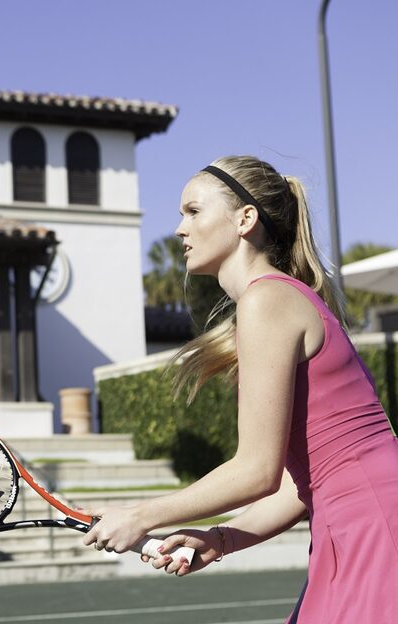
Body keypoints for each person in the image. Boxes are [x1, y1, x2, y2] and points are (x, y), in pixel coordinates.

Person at [82, 155, 398, 622]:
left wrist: (141, 515)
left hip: (373, 519)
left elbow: (256, 471)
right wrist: (222, 539)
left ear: (245, 219)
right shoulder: (277, 298)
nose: (179, 230)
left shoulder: (266, 300)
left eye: (193, 211)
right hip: (356, 519)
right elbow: (297, 482)